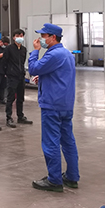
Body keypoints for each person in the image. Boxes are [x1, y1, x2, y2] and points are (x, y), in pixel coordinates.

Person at [29, 23, 79, 192]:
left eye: (43, 36)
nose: (41, 39)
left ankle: (54, 180)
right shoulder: (67, 54)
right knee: (68, 141)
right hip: (66, 104)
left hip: (52, 105)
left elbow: (33, 68)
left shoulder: (53, 54)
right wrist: (43, 78)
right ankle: (72, 177)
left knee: (51, 142)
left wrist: (35, 52)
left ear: (53, 37)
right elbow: (59, 76)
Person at [4, 29, 33, 128]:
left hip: (21, 76)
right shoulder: (9, 49)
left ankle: (20, 116)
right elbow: (5, 61)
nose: (20, 37)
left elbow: (23, 62)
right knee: (11, 97)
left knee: (20, 97)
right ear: (13, 37)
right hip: (12, 76)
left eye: (21, 36)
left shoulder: (23, 49)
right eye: (17, 36)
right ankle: (9, 118)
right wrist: (7, 73)